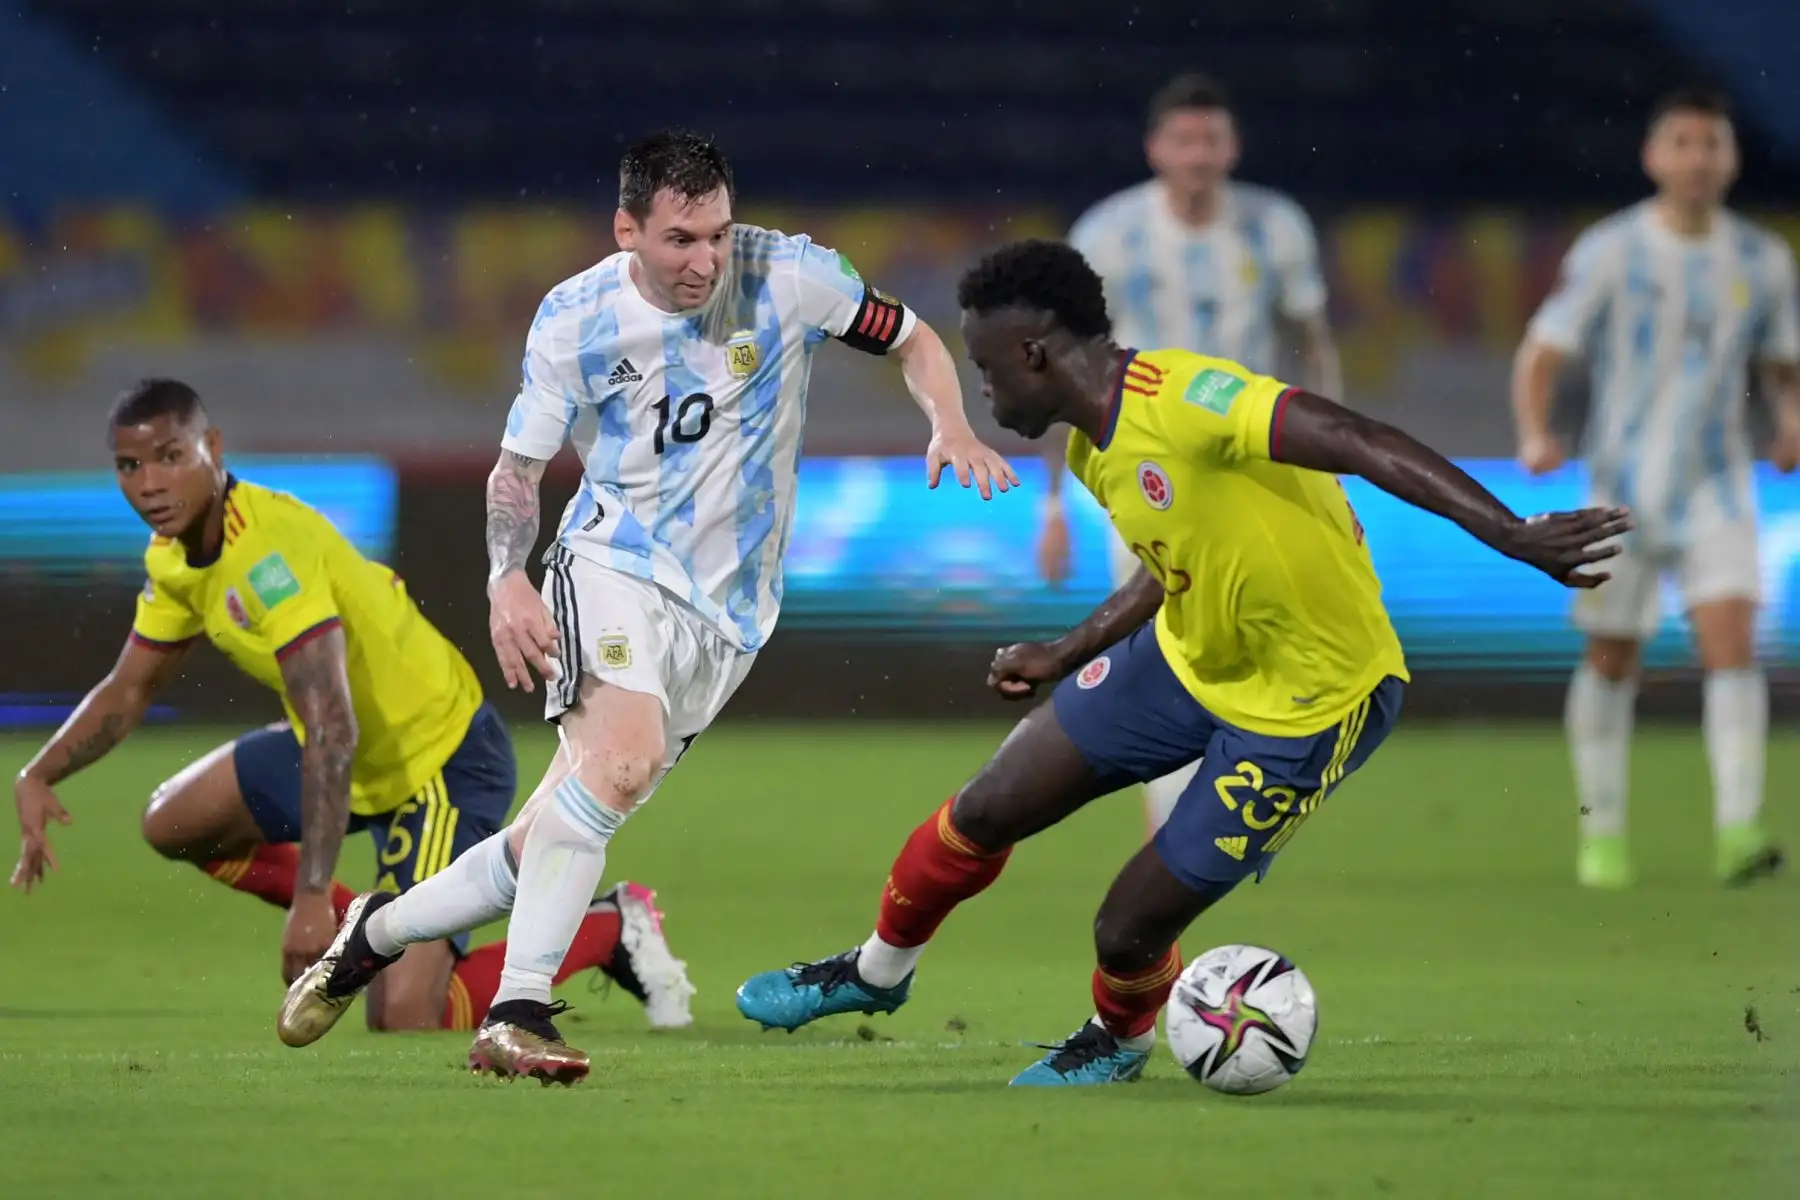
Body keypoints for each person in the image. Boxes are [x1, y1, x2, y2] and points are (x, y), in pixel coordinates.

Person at [735, 239, 1628, 1086]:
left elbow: (1354, 436)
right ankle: (878, 968)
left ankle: (1117, 1041)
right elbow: (1176, 564)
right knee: (985, 806)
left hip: (1307, 701)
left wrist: (1508, 531)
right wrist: (1067, 649)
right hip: (1187, 658)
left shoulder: (1191, 399)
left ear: (1036, 353)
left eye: (987, 366)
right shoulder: (1093, 444)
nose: (983, 386)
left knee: (1126, 931)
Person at [277, 128, 1016, 1084]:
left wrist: (949, 421)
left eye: (716, 232)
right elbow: (520, 467)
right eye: (679, 239)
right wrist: (508, 575)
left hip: (731, 617)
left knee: (549, 835)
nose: (705, 258)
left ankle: (373, 930)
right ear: (627, 228)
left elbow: (912, 337)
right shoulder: (575, 317)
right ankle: (517, 1012)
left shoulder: (793, 275)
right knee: (617, 765)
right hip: (614, 561)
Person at [10, 379, 692, 1036]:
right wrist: (38, 775)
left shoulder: (267, 552)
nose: (150, 483)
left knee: (406, 1015)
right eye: (130, 466)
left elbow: (332, 725)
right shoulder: (174, 556)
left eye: (169, 457)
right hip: (346, 749)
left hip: (436, 758)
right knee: (174, 822)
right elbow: (130, 689)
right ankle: (368, 927)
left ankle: (609, 926)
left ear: (212, 447)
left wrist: (310, 901)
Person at [1037, 72, 1342, 835]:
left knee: (1254, 649)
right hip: (1144, 472)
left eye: (1211, 138)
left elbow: (1312, 343)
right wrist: (1051, 506)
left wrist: (1329, 449)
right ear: (1155, 148)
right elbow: (1064, 368)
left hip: (1255, 469)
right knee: (1166, 650)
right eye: (1184, 139)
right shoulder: (1107, 234)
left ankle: (1225, 815)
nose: (1198, 154)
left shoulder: (1277, 228)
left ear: (1231, 146)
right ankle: (1170, 837)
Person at [1513, 85, 1800, 888]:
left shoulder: (1761, 258)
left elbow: (1780, 359)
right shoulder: (1613, 250)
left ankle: (1739, 829)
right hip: (1621, 486)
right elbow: (1542, 350)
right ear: (1653, 155)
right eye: (1682, 143)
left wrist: (1788, 418)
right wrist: (1536, 433)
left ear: (1731, 158)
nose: (1698, 159)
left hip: (1718, 484)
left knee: (1733, 645)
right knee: (1613, 657)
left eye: (1711, 144)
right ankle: (1602, 838)